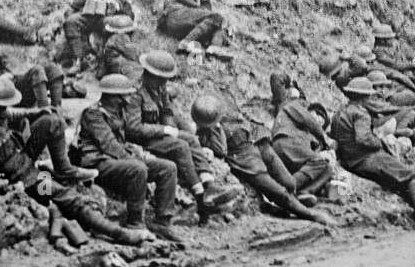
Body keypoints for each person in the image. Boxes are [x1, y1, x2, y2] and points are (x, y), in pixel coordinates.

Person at [0, 76, 143, 250]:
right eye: (3, 105)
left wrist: (36, 112)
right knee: (66, 195)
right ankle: (118, 234)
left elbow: (11, 114)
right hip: (23, 179)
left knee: (51, 121)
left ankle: (64, 170)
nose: (6, 109)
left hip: (24, 160)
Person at [126, 49, 241, 221]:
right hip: (143, 140)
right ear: (151, 75)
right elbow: (133, 128)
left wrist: (176, 130)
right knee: (181, 146)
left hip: (159, 136)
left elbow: (168, 112)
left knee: (190, 139)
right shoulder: (135, 94)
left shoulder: (159, 89)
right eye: (162, 78)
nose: (165, 82)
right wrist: (164, 131)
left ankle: (209, 184)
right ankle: (202, 198)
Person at [191, 94, 335, 227]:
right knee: (276, 191)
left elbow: (241, 117)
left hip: (258, 140)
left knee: (290, 184)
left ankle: (295, 199)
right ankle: (309, 214)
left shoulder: (221, 108)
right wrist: (213, 129)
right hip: (244, 155)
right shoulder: (211, 130)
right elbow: (221, 150)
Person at [332, 76, 415, 229]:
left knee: (401, 185)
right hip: (367, 158)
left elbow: (336, 137)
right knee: (411, 177)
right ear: (364, 97)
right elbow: (364, 139)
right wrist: (380, 140)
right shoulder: (360, 113)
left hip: (350, 162)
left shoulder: (339, 113)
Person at [74, 73, 183, 244]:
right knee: (137, 169)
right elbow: (109, 145)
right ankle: (135, 223)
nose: (130, 97)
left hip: (118, 159)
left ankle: (162, 222)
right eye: (126, 94)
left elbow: (123, 143)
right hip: (98, 163)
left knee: (167, 167)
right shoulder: (93, 114)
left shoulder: (119, 112)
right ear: (115, 97)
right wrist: (135, 161)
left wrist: (139, 156)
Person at [268, 72, 335, 196]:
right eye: (318, 114)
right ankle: (288, 187)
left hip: (289, 152)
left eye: (323, 120)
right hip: (287, 141)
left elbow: (313, 164)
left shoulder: (310, 137)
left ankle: (305, 192)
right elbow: (276, 77)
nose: (319, 119)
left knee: (327, 168)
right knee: (319, 162)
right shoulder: (291, 104)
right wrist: (290, 84)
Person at [59, 0, 133, 72]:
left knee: (113, 31)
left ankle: (103, 63)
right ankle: (78, 61)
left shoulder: (122, 1)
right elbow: (75, 4)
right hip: (88, 19)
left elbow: (129, 17)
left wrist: (118, 9)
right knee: (71, 22)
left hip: (106, 22)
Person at [158, 0, 226, 56]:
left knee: (217, 27)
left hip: (181, 24)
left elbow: (207, 13)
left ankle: (214, 49)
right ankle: (186, 42)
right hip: (176, 16)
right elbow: (205, 11)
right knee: (217, 17)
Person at [97, 13, 142, 79]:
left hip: (111, 61)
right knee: (136, 69)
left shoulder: (113, 36)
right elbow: (130, 53)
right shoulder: (120, 37)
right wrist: (139, 51)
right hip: (116, 64)